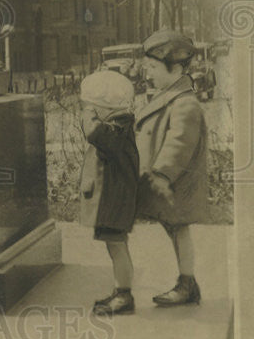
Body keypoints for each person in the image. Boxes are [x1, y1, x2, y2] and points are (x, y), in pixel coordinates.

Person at [136, 29, 208, 306]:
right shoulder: (170, 96)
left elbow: (179, 143)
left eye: (153, 67)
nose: (148, 74)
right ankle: (186, 281)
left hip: (175, 184)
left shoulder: (185, 103)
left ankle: (187, 283)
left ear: (175, 67)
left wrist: (162, 174)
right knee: (174, 230)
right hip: (169, 184)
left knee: (179, 230)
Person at [78, 70, 139, 315]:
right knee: (114, 246)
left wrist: (88, 114)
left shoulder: (117, 128)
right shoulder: (117, 126)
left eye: (94, 108)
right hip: (114, 198)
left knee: (117, 245)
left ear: (105, 107)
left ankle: (124, 295)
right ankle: (120, 290)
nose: (90, 112)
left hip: (115, 199)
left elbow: (93, 133)